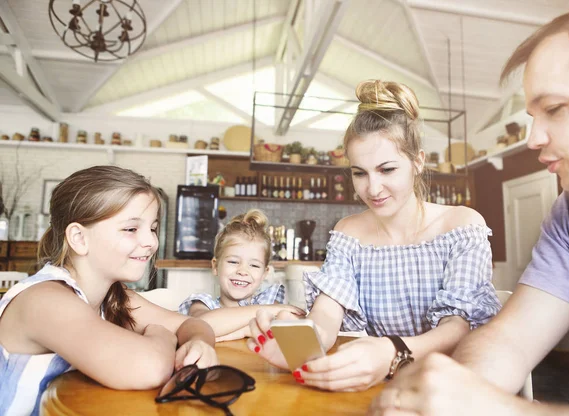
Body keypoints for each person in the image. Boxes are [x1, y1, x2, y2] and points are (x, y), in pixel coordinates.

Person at [368, 2, 569, 415]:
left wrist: (513, 410)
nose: (533, 137)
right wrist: (452, 393)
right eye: (531, 115)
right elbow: (509, 339)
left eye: (555, 108)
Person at [246, 79, 501, 392]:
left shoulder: (461, 227)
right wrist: (302, 340)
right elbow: (328, 312)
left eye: (387, 170)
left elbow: (457, 329)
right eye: (360, 173)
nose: (372, 188)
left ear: (417, 162)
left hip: (448, 388)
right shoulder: (347, 233)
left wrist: (391, 351)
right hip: (373, 386)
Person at [0, 166, 217, 416]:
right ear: (79, 238)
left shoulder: (115, 297)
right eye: (131, 229)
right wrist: (162, 335)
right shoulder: (44, 300)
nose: (151, 242)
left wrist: (198, 343)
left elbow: (191, 325)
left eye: (153, 228)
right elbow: (149, 367)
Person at [179, 209, 304, 342]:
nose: (243, 271)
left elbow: (298, 329)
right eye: (233, 262)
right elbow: (202, 325)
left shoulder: (268, 302)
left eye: (254, 265)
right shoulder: (203, 304)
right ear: (215, 266)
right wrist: (247, 329)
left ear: (264, 274)